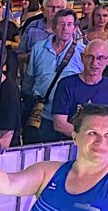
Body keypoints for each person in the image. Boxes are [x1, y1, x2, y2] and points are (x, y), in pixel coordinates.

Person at [23, 8, 84, 144]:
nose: (65, 28)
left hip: (68, 115)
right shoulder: (38, 48)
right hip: (41, 113)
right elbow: (29, 78)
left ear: (75, 28)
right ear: (54, 26)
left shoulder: (82, 52)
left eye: (69, 25)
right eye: (61, 24)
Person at [51, 40, 108, 140]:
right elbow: (59, 123)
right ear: (82, 58)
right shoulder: (66, 85)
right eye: (90, 57)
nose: (94, 63)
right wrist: (90, 137)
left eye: (101, 58)